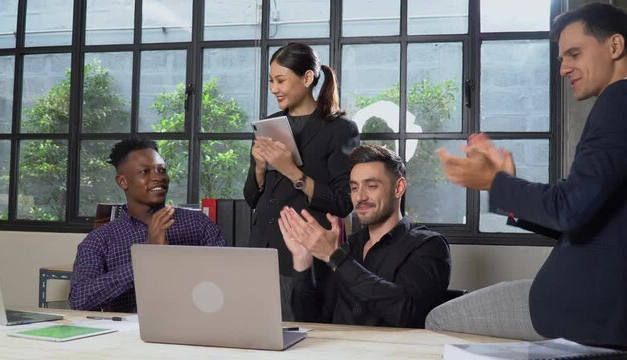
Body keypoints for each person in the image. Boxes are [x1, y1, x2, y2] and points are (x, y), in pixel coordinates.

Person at [431, 3, 627, 347]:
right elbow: (585, 214)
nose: (564, 68)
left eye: (574, 54)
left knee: (439, 319)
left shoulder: (618, 103)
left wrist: (494, 182)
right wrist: (509, 189)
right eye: (561, 59)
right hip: (591, 300)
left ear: (615, 46)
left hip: (588, 306)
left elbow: (570, 210)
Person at [243, 42, 360, 320]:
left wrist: (292, 171)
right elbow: (252, 198)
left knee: (302, 336)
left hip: (304, 259)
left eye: (281, 80)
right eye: (271, 81)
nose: (274, 88)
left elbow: (343, 203)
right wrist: (259, 168)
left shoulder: (340, 129)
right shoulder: (268, 126)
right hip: (259, 253)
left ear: (307, 78)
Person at [278, 145, 451, 327]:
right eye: (354, 188)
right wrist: (302, 261)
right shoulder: (349, 247)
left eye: (371, 186)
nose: (359, 197)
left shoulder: (429, 245)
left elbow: (406, 313)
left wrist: (335, 257)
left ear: (398, 188)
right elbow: (312, 321)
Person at [70, 137, 225, 312]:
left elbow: (227, 281)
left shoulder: (199, 225)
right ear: (123, 182)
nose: (158, 177)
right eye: (145, 172)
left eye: (161, 170)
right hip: (129, 335)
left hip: (193, 328)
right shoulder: (100, 240)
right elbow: (79, 299)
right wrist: (148, 257)